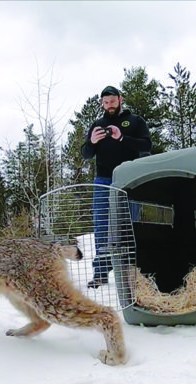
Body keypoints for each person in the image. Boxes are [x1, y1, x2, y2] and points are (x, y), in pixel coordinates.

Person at [81, 85, 152, 288]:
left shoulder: (136, 121)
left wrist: (122, 137)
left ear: (120, 100)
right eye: (106, 102)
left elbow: (146, 146)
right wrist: (92, 142)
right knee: (102, 226)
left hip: (130, 179)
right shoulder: (97, 124)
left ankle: (133, 273)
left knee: (130, 226)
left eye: (112, 101)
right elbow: (86, 154)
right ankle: (101, 272)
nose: (109, 105)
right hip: (104, 180)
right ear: (102, 104)